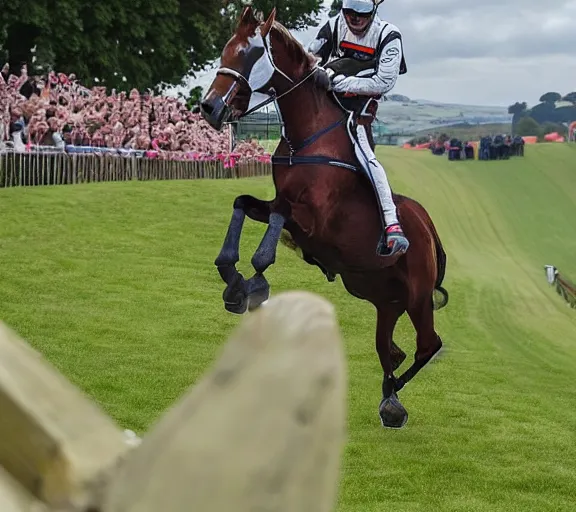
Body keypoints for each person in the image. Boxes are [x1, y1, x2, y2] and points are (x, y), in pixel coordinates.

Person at [308, 0, 409, 257]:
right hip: (331, 103)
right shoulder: (332, 26)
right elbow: (311, 59)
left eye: (361, 15)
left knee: (366, 154)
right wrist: (317, 70)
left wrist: (336, 82)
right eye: (349, 13)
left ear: (373, 12)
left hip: (360, 110)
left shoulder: (388, 36)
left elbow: (383, 82)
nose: (355, 20)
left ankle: (391, 223)